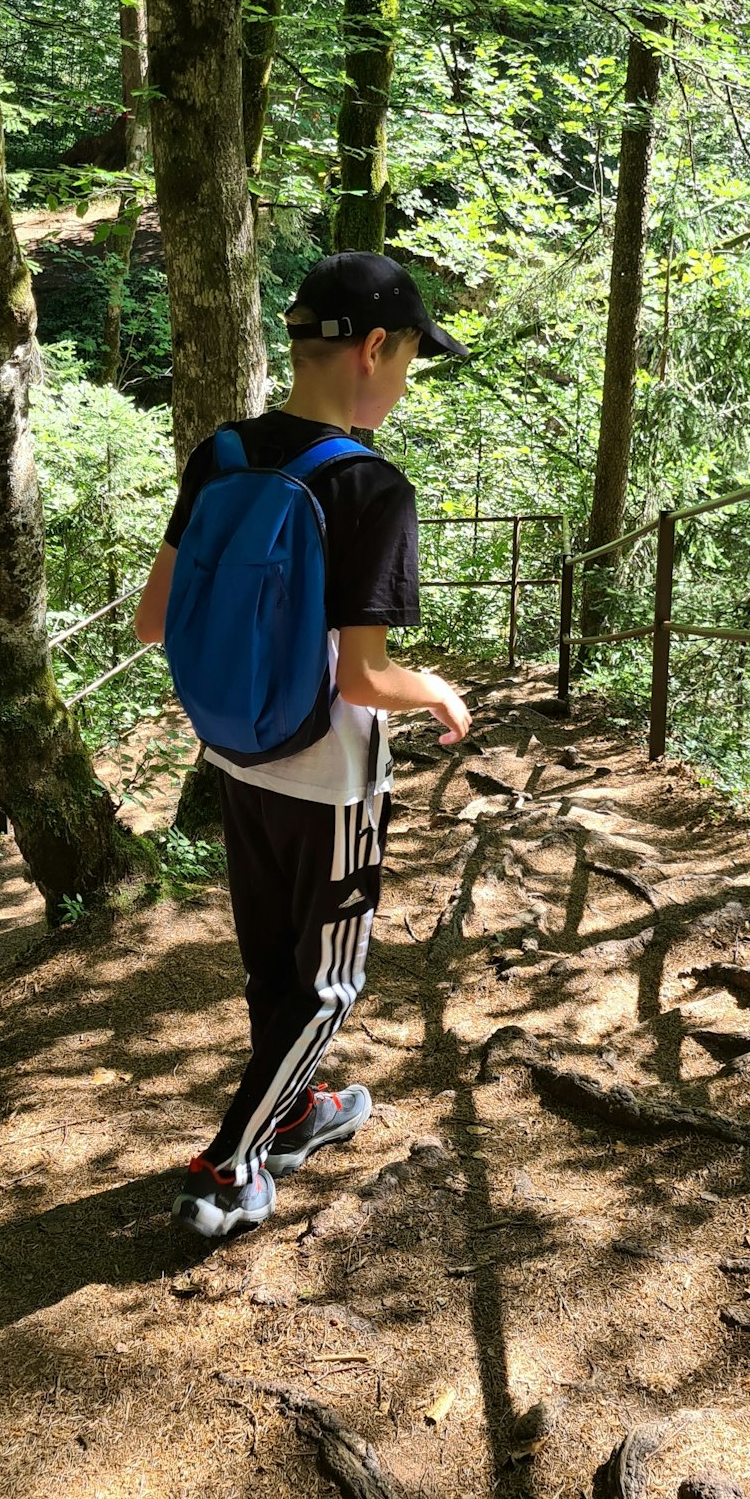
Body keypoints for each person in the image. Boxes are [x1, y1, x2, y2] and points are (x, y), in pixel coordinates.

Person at [135, 251, 472, 1240]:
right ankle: (230, 1169)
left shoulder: (223, 453)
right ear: (373, 349)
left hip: (237, 756)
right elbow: (365, 679)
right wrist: (436, 689)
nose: (405, 382)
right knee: (327, 981)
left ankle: (294, 1113)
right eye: (410, 358)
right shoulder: (369, 487)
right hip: (332, 779)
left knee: (271, 967)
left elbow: (155, 619)